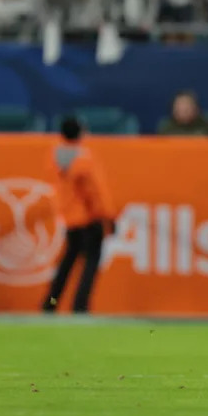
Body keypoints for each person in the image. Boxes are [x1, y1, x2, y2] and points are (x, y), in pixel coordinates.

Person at [42, 116, 116, 314]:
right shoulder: (85, 158)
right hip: (89, 218)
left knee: (67, 262)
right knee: (91, 263)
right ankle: (80, 305)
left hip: (69, 218)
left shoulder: (54, 155)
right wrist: (109, 216)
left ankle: (50, 303)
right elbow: (97, 191)